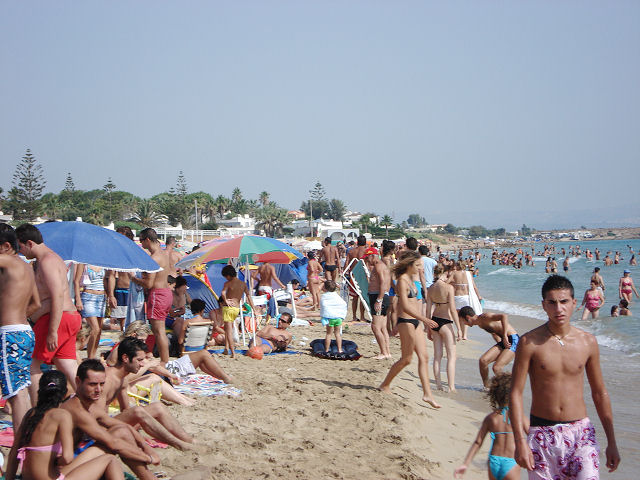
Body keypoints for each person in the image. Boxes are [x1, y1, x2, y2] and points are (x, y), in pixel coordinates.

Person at [510, 275, 620, 478]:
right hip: (542, 434)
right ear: (544, 305)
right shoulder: (529, 343)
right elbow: (515, 394)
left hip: (581, 434)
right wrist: (519, 442)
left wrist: (612, 442)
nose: (558, 309)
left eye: (564, 302)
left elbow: (599, 393)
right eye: (552, 303)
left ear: (574, 303)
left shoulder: (588, 342)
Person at [5, 370, 124, 480]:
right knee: (110, 460)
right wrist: (58, 461)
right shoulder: (62, 415)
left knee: (97, 453)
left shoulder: (30, 414)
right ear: (64, 394)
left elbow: (14, 452)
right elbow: (67, 458)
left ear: (40, 391)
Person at [60, 359, 161, 480]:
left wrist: (146, 447)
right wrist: (148, 458)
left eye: (102, 384)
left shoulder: (89, 405)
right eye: (92, 384)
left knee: (121, 430)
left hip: (76, 457)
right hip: (62, 470)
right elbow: (114, 444)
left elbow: (125, 427)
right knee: (112, 454)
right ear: (78, 381)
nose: (98, 390)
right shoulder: (77, 409)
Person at [15, 224, 82, 402]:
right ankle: (91, 405)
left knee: (31, 365)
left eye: (20, 247)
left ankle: (38, 408)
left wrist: (52, 330)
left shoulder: (47, 261)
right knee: (66, 364)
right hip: (67, 317)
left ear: (29, 243)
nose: (21, 252)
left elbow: (57, 296)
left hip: (58, 318)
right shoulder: (51, 259)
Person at [378, 251, 440, 408]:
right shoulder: (402, 281)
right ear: (409, 265)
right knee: (407, 359)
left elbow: (416, 303)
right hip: (406, 322)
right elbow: (404, 306)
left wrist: (424, 322)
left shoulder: (413, 280)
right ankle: (385, 384)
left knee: (424, 357)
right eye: (418, 265)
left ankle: (427, 394)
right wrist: (425, 319)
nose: (420, 268)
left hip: (417, 321)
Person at [0, 224, 40, 432]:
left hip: (11, 334)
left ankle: (19, 443)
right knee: (20, 389)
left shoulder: (7, 261)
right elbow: (36, 304)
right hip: (24, 332)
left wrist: (8, 318)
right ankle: (24, 438)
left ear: (6, 246)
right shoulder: (26, 267)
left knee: (14, 394)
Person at [454, 373, 522, 480]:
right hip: (511, 462)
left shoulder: (491, 418)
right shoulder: (518, 417)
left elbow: (478, 442)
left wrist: (466, 464)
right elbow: (533, 434)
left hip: (493, 461)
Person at [130, 228, 172, 363]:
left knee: (159, 331)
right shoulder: (164, 254)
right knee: (160, 330)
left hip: (158, 294)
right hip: (166, 293)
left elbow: (148, 284)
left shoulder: (154, 258)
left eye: (141, 240)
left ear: (147, 240)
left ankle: (165, 361)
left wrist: (134, 279)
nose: (141, 244)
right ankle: (162, 358)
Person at [458, 307, 519, 388]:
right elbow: (494, 333)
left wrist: (504, 336)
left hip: (514, 340)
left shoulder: (485, 317)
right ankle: (487, 387)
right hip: (504, 342)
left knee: (496, 367)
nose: (464, 324)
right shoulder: (480, 324)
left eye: (463, 321)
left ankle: (509, 389)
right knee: (483, 361)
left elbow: (504, 316)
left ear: (468, 317)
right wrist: (500, 346)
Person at [425, 264, 460, 392]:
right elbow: (452, 309)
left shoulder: (430, 288)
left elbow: (428, 310)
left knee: (437, 356)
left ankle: (439, 385)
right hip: (446, 321)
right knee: (451, 356)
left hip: (434, 321)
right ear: (445, 273)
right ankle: (451, 386)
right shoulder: (449, 288)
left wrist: (427, 327)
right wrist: (459, 329)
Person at [220, 265, 255, 358]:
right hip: (236, 309)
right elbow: (248, 296)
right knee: (228, 330)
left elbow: (223, 293)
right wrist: (254, 309)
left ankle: (233, 353)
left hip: (228, 308)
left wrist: (226, 300)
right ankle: (226, 349)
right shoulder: (243, 284)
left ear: (228, 275)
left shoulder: (228, 283)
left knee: (228, 331)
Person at [73, 264, 107, 359]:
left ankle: (92, 355)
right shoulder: (83, 263)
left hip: (101, 297)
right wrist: (78, 299)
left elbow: (105, 280)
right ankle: (89, 356)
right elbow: (76, 281)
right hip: (88, 295)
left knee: (99, 330)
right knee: (94, 328)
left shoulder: (101, 262)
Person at [363, 247, 392, 359]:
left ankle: (383, 352)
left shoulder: (379, 266)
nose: (366, 260)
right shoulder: (380, 266)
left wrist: (379, 300)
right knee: (383, 327)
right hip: (380, 296)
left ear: (372, 256)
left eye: (367, 258)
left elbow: (383, 283)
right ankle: (387, 352)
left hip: (378, 296)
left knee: (375, 327)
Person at [320, 280, 347, 354]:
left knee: (329, 334)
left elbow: (324, 306)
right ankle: (340, 349)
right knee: (338, 334)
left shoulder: (324, 296)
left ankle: (327, 349)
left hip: (330, 318)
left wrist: (324, 315)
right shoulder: (336, 296)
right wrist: (340, 314)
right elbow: (343, 304)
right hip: (338, 318)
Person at [344, 235, 367, 321]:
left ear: (357, 242)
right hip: (363, 275)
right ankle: (362, 316)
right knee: (363, 297)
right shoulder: (366, 251)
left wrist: (345, 273)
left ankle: (354, 316)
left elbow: (346, 263)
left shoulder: (351, 251)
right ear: (365, 242)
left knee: (355, 297)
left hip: (353, 275)